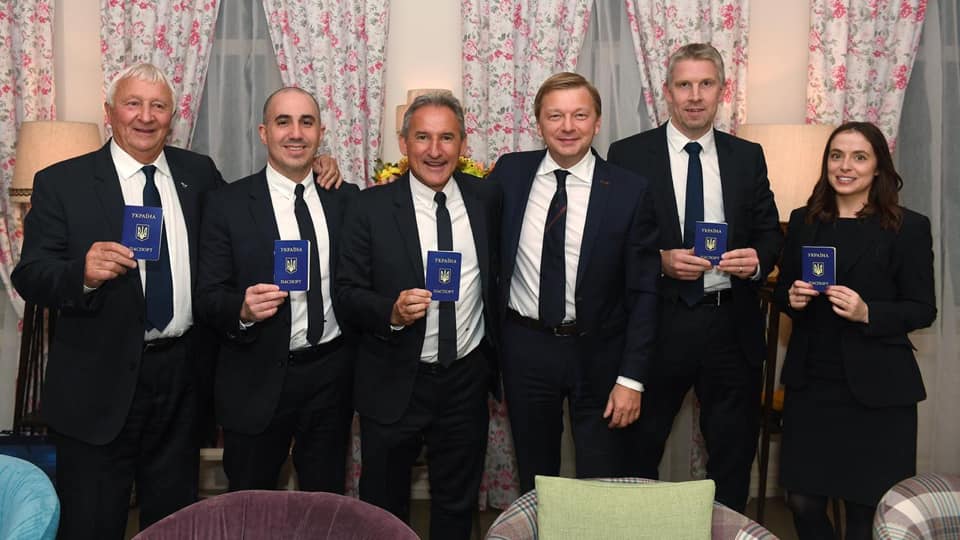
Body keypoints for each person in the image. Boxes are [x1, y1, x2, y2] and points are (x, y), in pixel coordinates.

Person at [11, 63, 224, 538]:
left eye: (158, 106)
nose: (145, 116)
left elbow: (244, 224)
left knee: (173, 525)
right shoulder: (63, 182)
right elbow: (30, 274)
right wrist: (81, 274)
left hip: (182, 381)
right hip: (97, 389)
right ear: (109, 112)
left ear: (172, 117)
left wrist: (310, 173)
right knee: (92, 524)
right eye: (133, 104)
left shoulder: (199, 174)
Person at [607, 43, 782, 512]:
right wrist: (660, 260)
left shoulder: (747, 155)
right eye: (684, 85)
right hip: (658, 325)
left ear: (722, 90)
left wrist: (757, 260)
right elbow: (612, 243)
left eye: (706, 84)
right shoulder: (628, 155)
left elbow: (769, 232)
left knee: (732, 457)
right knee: (638, 451)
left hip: (730, 326)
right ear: (666, 91)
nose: (695, 95)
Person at [335, 91, 499, 539]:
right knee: (383, 508)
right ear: (404, 142)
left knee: (457, 504)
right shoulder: (368, 208)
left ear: (463, 143)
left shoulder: (487, 199)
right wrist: (390, 311)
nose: (435, 150)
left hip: (465, 379)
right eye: (423, 137)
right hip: (393, 379)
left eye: (447, 137)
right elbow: (346, 292)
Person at [489, 72, 660, 492]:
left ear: (597, 122)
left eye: (579, 115)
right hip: (526, 349)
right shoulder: (510, 173)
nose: (567, 127)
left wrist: (631, 379)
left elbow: (644, 292)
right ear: (539, 123)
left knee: (600, 483)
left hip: (600, 354)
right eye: (555, 116)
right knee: (536, 479)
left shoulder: (630, 190)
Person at [774, 121, 936, 540]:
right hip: (812, 386)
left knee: (865, 512)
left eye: (859, 157)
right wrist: (791, 298)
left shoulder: (908, 227)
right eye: (836, 155)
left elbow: (923, 309)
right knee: (802, 502)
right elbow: (782, 291)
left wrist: (868, 312)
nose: (845, 166)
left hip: (879, 393)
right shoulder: (803, 222)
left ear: (878, 167)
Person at [195, 87, 357, 493]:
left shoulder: (346, 199)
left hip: (330, 376)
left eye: (307, 122)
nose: (296, 133)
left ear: (320, 133)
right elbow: (208, 295)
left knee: (325, 502)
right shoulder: (227, 204)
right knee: (252, 504)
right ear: (264, 133)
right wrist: (242, 309)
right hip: (255, 376)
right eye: (283, 122)